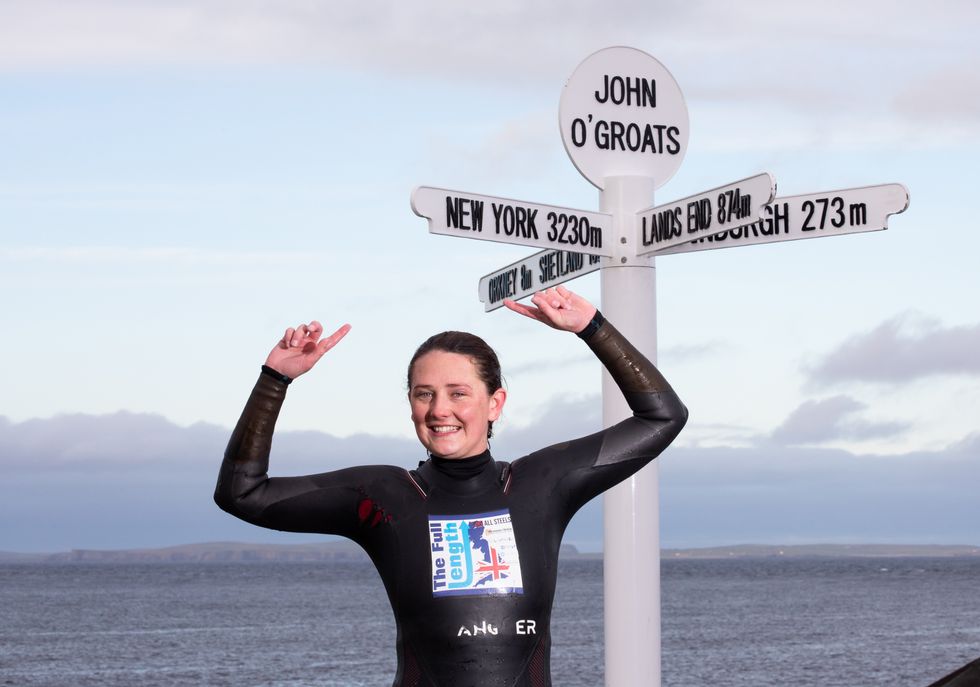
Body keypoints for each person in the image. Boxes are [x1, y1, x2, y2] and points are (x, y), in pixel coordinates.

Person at [214, 286, 687, 687]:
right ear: (411, 404)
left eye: (459, 393)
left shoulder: (543, 483)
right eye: (425, 394)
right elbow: (242, 493)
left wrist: (592, 327)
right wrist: (275, 379)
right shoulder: (382, 497)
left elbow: (663, 416)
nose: (440, 410)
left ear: (495, 403)